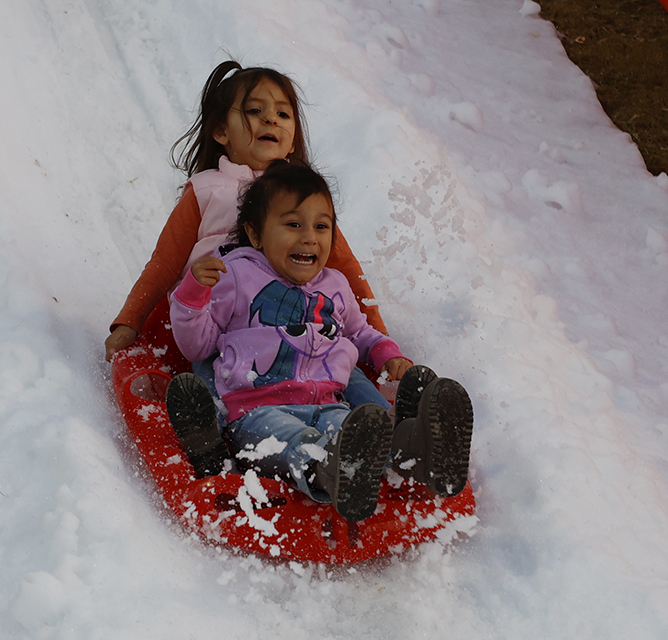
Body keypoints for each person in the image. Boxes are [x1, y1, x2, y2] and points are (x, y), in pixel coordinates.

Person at [167, 162, 473, 522]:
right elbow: (198, 347)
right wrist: (192, 295)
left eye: (321, 226)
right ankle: (330, 473)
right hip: (257, 410)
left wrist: (387, 354)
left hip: (329, 405)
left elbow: (358, 333)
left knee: (355, 436)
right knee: (293, 442)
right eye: (293, 224)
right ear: (255, 233)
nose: (310, 237)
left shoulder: (335, 285)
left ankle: (416, 452)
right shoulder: (235, 275)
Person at [104, 61, 392, 415]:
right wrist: (130, 320)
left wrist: (381, 336)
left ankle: (394, 427)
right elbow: (165, 263)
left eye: (283, 114)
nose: (271, 119)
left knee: (339, 365)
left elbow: (343, 265)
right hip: (220, 328)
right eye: (256, 111)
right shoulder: (207, 190)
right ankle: (216, 428)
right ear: (222, 132)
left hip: (293, 319)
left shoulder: (303, 198)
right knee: (221, 379)